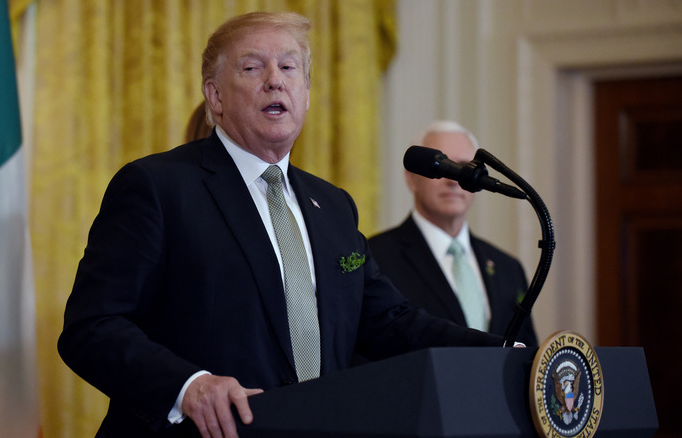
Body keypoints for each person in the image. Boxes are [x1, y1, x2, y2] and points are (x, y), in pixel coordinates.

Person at [58, 13, 505, 438]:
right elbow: (92, 326)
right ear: (214, 96)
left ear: (306, 92)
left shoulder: (332, 205)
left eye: (289, 66)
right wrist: (188, 386)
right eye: (252, 67)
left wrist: (498, 355)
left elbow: (389, 322)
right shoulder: (157, 187)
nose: (275, 79)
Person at [369, 120, 538, 346]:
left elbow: (527, 354)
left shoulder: (508, 267)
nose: (454, 179)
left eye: (465, 167)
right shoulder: (376, 257)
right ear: (411, 178)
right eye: (441, 166)